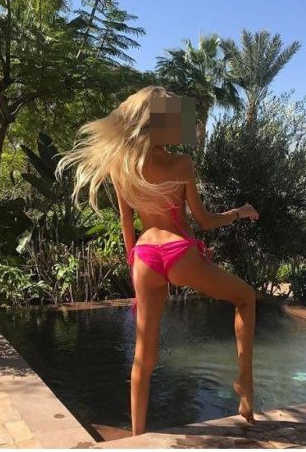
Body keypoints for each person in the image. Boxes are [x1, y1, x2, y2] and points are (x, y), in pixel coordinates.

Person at [56, 85, 259, 436]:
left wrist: (134, 268)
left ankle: (137, 436)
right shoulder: (181, 164)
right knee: (246, 297)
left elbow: (127, 226)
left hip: (144, 257)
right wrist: (240, 212)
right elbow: (204, 220)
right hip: (180, 253)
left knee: (142, 356)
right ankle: (245, 381)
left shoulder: (123, 167)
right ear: (160, 123)